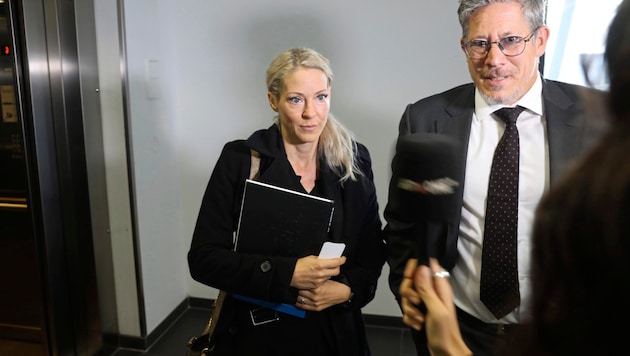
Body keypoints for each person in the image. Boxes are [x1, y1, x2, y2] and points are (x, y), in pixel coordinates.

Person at [404, 1, 630, 354]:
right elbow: (405, 223)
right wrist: (412, 288)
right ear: (464, 47)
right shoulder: (425, 119)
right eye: (479, 43)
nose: (494, 59)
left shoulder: (600, 120)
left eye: (510, 40)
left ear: (541, 40)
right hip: (458, 326)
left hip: (562, 334)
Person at [188, 47, 385, 356]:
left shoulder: (355, 159)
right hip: (262, 335)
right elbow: (203, 259)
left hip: (336, 333)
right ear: (273, 100)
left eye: (320, 97)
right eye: (296, 99)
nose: (311, 112)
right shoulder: (240, 160)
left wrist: (347, 291)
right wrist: (285, 273)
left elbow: (372, 249)